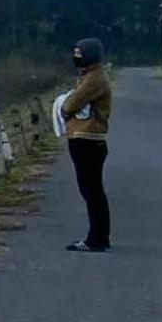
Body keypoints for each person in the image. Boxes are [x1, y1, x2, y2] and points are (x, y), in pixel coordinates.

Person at [60, 37, 114, 252]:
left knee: (91, 191)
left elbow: (71, 104)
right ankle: (99, 237)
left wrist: (64, 109)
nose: (76, 58)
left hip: (88, 139)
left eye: (79, 54)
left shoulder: (94, 78)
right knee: (91, 190)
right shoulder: (90, 76)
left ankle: (97, 239)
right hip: (86, 139)